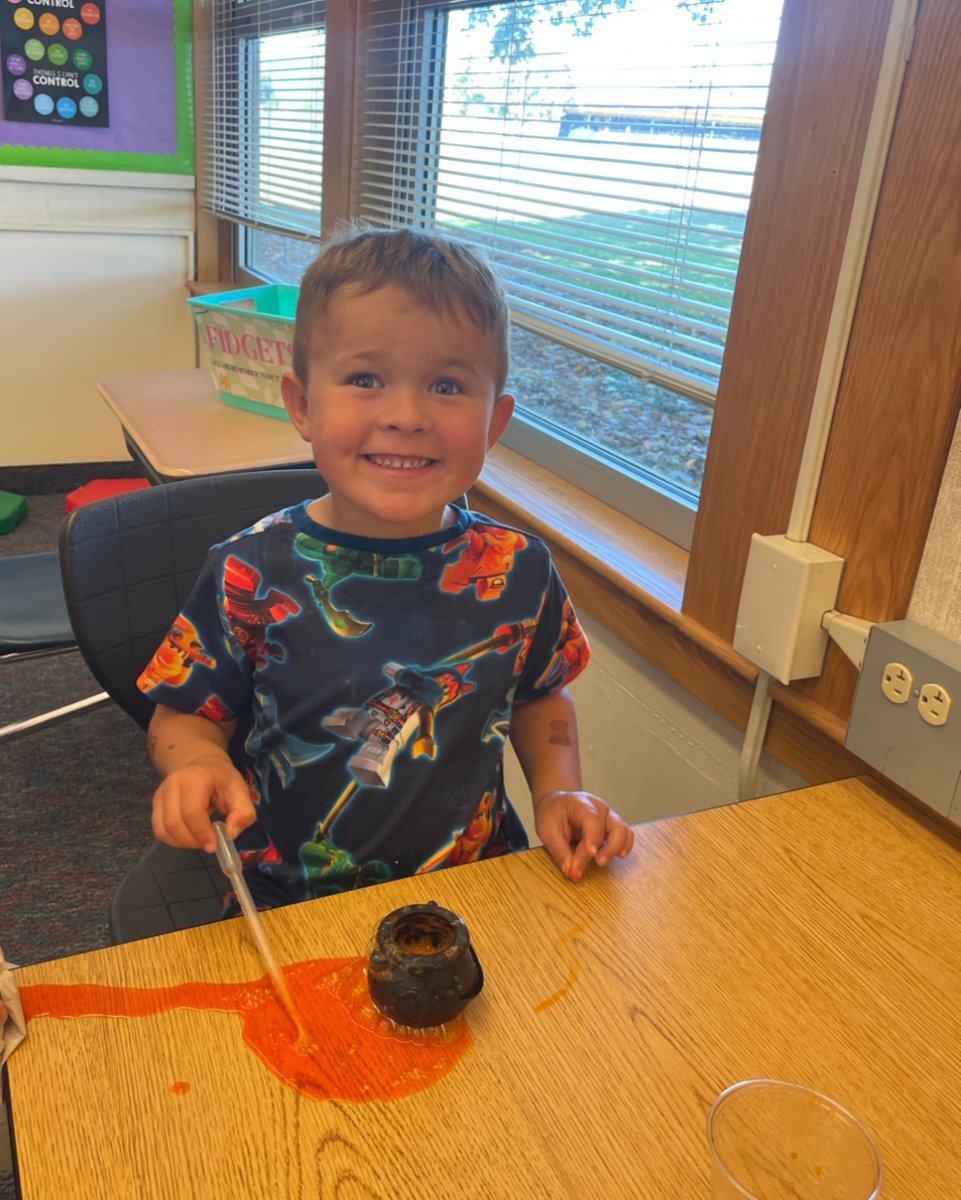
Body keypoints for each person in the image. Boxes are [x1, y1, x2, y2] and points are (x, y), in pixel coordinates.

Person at [139, 226, 634, 910]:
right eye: (365, 379)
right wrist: (197, 764)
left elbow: (540, 694)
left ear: (495, 422)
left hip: (477, 884)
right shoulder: (246, 572)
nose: (405, 415)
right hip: (291, 899)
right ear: (303, 406)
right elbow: (183, 715)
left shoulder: (518, 568)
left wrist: (556, 789)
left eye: (446, 384)